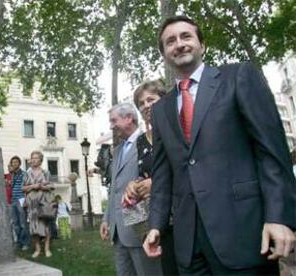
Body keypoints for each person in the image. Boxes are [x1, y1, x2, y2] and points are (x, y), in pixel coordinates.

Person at [143, 15, 296, 275]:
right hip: (189, 247)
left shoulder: (238, 76)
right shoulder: (160, 110)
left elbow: (271, 152)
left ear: (202, 45)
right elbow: (162, 173)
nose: (179, 44)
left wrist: (279, 217)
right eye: (170, 41)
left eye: (186, 36)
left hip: (243, 234)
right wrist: (156, 224)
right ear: (164, 54)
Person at [123, 79, 178, 275]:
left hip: (183, 213)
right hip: (158, 218)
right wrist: (134, 184)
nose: (146, 105)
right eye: (141, 103)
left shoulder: (177, 128)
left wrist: (156, 183)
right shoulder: (141, 141)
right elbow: (143, 173)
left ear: (164, 99)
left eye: (150, 99)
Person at [100, 102, 163, 275]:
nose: (111, 126)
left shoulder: (149, 141)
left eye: (114, 121)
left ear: (129, 118)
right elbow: (115, 187)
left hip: (140, 229)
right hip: (117, 232)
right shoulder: (118, 150)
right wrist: (107, 218)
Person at [23, 150, 55, 258]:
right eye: (32, 158)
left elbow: (52, 186)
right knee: (33, 227)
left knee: (45, 226)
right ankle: (37, 249)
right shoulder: (27, 173)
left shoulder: (46, 172)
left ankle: (47, 249)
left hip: (43, 203)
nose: (33, 160)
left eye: (36, 158)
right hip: (32, 204)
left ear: (40, 160)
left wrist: (41, 187)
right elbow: (23, 188)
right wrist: (33, 186)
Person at [7, 156, 30, 251]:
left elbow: (26, 186)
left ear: (19, 163)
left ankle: (25, 243)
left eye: (16, 162)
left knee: (23, 223)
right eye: (13, 162)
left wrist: (25, 199)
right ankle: (19, 242)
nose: (14, 163)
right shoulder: (12, 175)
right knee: (15, 224)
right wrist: (10, 176)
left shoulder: (24, 174)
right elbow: (11, 186)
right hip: (13, 200)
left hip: (21, 199)